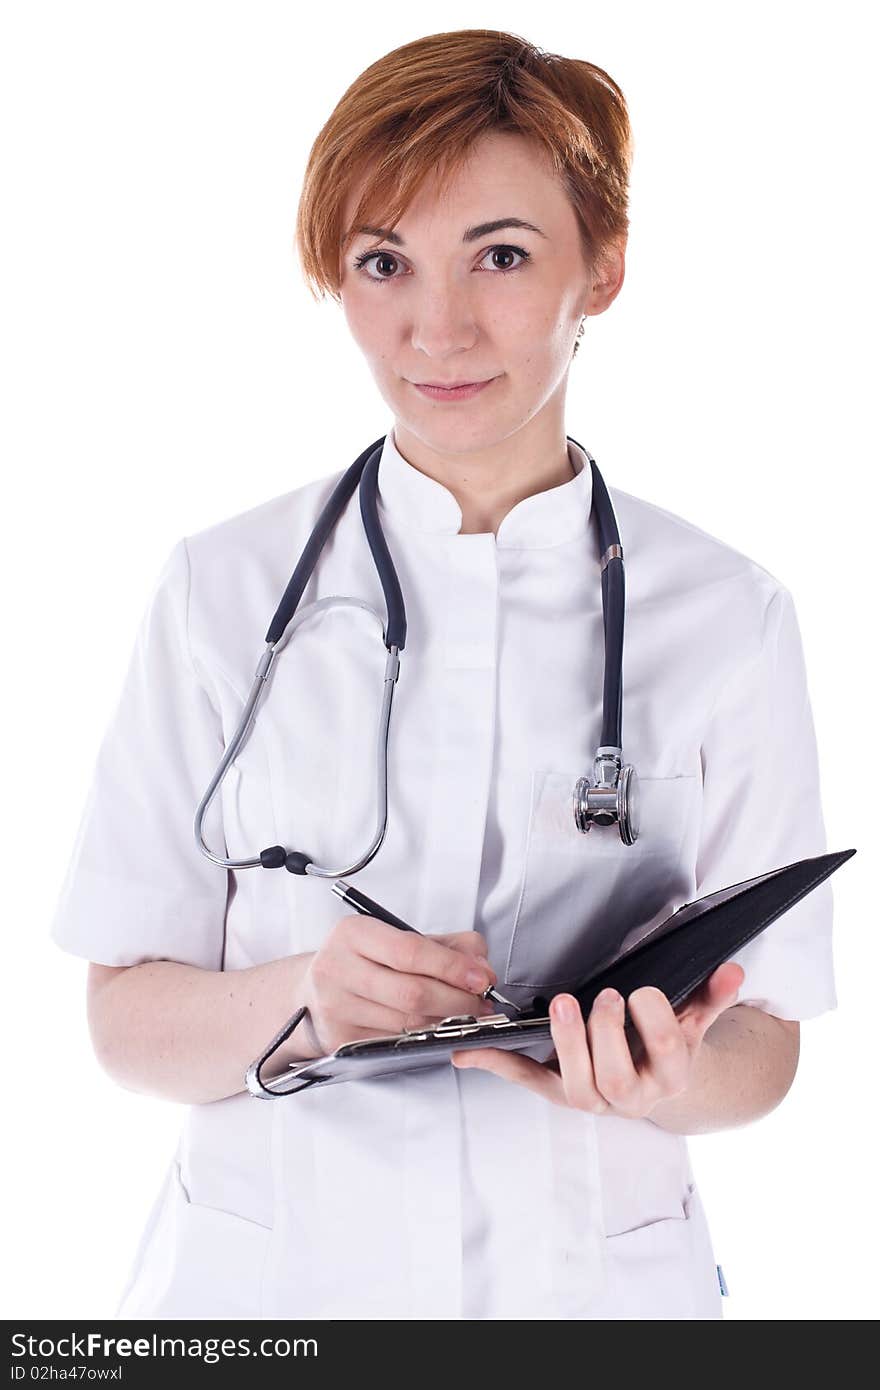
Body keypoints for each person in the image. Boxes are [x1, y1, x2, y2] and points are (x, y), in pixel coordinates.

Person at [50, 30, 836, 1320]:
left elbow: (765, 1051)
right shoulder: (221, 592)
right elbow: (124, 1020)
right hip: (278, 1292)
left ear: (607, 266)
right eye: (383, 264)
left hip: (591, 1286)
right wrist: (303, 996)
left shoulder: (730, 617)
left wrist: (657, 1074)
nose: (440, 327)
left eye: (504, 256)